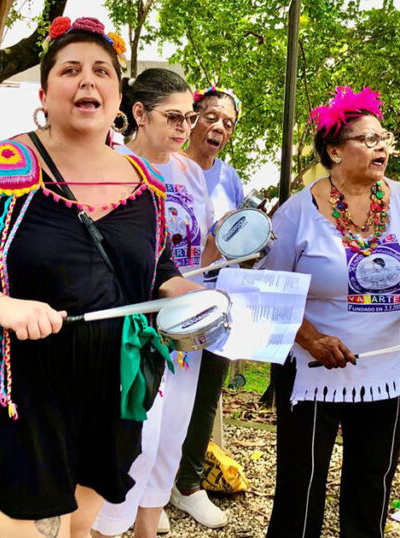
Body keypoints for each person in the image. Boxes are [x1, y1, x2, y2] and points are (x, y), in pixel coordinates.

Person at [0, 16, 201, 538]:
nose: (88, 81)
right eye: (71, 69)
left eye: (102, 70)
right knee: (30, 528)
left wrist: (181, 291)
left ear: (119, 93)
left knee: (82, 523)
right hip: (19, 383)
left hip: (113, 380)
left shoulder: (145, 181)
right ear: (45, 91)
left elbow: (155, 265)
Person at [259, 86, 400, 538]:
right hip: (314, 366)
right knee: (301, 486)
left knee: (373, 480)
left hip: (388, 364)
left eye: (384, 137)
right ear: (335, 150)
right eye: (367, 139)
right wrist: (310, 339)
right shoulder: (296, 213)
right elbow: (269, 291)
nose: (381, 146)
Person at [92, 68, 214, 538]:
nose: (185, 127)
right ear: (139, 114)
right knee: (134, 445)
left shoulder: (190, 171)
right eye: (174, 116)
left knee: (169, 443)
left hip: (184, 325)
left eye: (190, 117)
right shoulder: (111, 165)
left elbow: (199, 244)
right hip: (136, 330)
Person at [169, 85, 245, 529]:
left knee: (205, 393)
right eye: (212, 116)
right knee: (157, 392)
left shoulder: (229, 178)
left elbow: (232, 240)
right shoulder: (164, 168)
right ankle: (147, 489)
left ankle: (188, 484)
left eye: (228, 123)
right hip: (163, 299)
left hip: (215, 302)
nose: (219, 127)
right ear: (191, 117)